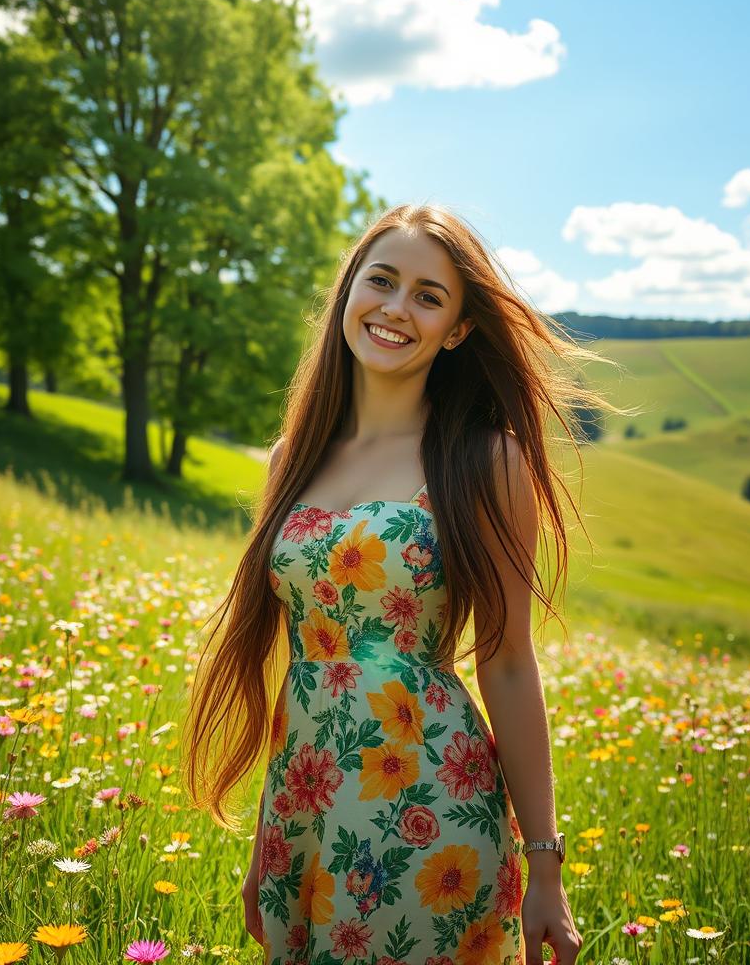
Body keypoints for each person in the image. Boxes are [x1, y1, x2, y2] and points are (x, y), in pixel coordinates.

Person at [183, 203, 627, 964]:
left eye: (428, 296)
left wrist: (545, 867)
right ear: (349, 290)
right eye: (380, 281)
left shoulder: (488, 460)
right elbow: (301, 668)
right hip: (307, 813)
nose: (395, 309)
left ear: (458, 329)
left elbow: (510, 660)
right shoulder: (293, 456)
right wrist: (269, 836)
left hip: (433, 810)